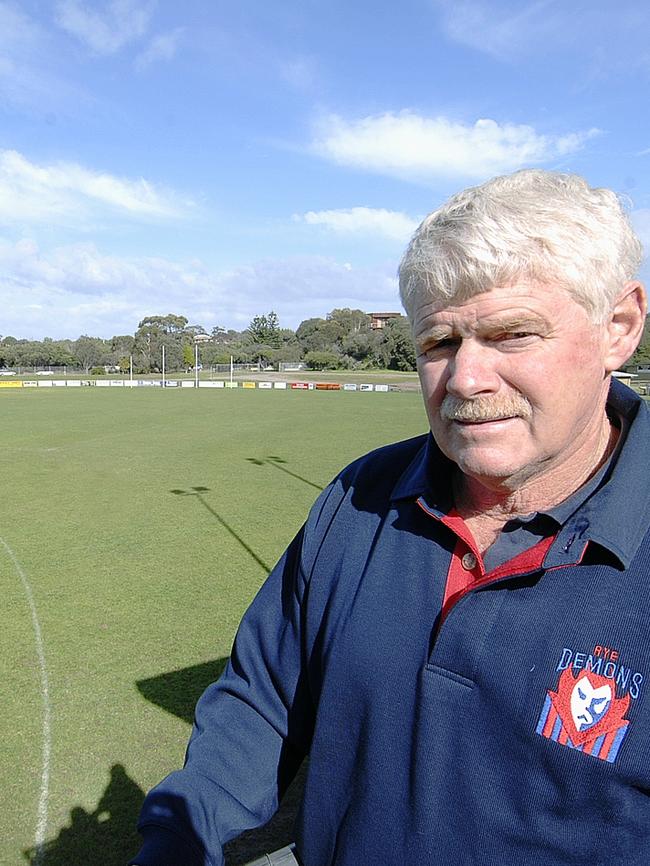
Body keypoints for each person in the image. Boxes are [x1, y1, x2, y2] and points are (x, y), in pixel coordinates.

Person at [130, 169, 650, 866]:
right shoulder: (361, 495)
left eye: (513, 334)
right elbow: (261, 701)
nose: (466, 380)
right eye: (439, 344)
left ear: (618, 327)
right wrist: (175, 846)